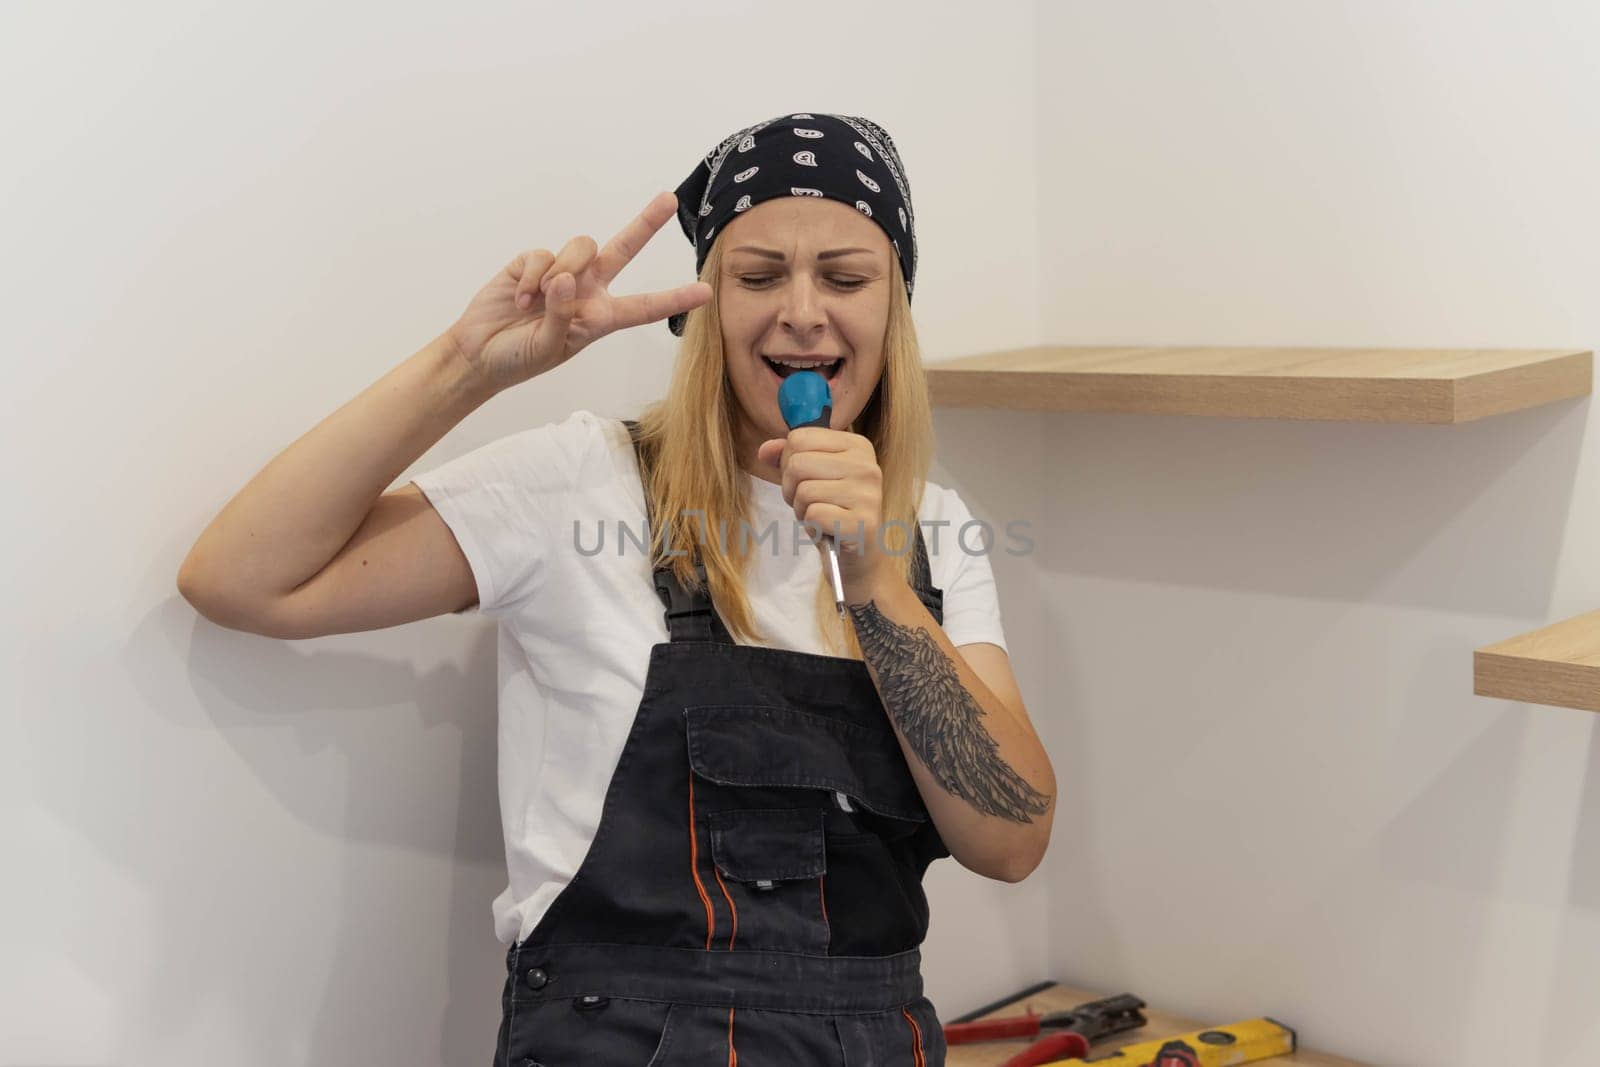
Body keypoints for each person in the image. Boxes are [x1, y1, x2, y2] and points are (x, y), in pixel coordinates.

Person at [177, 111, 1055, 1066]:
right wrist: (467, 369)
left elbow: (1010, 840)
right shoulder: (580, 485)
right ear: (705, 304)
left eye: (845, 277)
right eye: (757, 276)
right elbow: (243, 579)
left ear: (895, 307)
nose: (802, 311)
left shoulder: (936, 529)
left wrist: (873, 575)